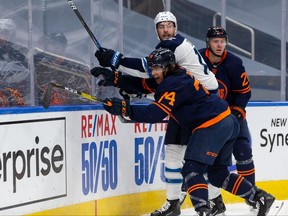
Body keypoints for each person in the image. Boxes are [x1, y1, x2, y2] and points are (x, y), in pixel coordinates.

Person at [99, 48, 275, 216]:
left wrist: (124, 108)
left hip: (212, 124)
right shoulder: (175, 75)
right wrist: (117, 79)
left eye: (157, 68)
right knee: (217, 174)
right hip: (226, 121)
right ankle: (260, 197)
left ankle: (203, 211)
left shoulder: (173, 83)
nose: (153, 72)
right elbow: (146, 84)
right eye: (152, 68)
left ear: (167, 67)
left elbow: (156, 113)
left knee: (192, 169)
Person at [93, 11, 218, 216]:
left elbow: (146, 70)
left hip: (201, 106)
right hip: (186, 105)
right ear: (156, 31)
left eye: (169, 25)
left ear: (175, 28)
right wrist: (118, 78)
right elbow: (152, 81)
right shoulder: (169, 58)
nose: (166, 30)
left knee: (193, 160)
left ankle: (211, 203)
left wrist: (115, 59)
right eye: (161, 27)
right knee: (173, 154)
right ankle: (173, 203)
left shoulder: (172, 45)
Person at [198, 26, 259, 213]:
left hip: (231, 116)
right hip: (206, 120)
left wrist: (237, 112)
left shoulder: (234, 62)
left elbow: (244, 92)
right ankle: (215, 202)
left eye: (222, 41)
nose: (219, 45)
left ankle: (254, 198)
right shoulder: (197, 59)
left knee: (243, 152)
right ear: (208, 42)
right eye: (216, 41)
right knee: (208, 162)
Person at [0, 18, 28, 107]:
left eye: (3, 33)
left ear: (11, 35)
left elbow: (26, 82)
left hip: (12, 99)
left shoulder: (19, 57)